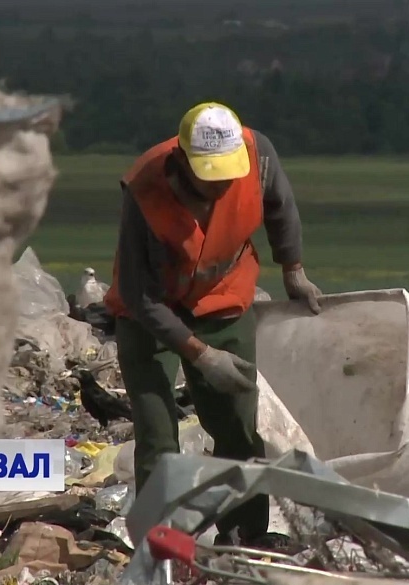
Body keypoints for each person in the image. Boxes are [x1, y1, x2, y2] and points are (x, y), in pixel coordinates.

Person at [103, 101, 322, 546]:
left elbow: (281, 207)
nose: (222, 183)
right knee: (158, 436)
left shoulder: (256, 154)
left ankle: (244, 539)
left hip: (224, 298)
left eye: (226, 172)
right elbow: (138, 295)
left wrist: (293, 270)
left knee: (238, 427)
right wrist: (201, 357)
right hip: (150, 313)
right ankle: (158, 549)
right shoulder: (145, 188)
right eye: (210, 174)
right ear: (183, 162)